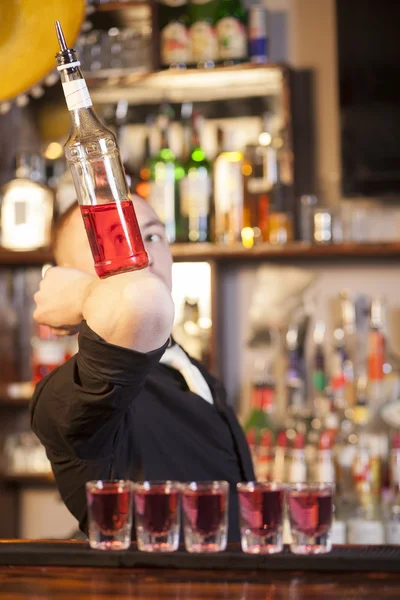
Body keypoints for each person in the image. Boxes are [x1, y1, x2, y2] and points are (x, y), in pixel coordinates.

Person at [30, 196, 254, 541]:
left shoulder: (189, 370)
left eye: (150, 237)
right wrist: (85, 295)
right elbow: (141, 301)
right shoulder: (74, 394)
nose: (141, 257)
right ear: (65, 280)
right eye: (111, 242)